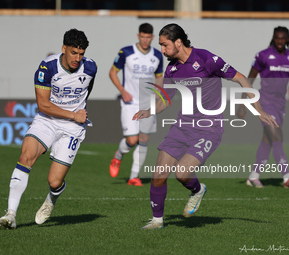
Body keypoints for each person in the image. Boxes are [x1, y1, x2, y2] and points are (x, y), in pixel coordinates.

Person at [133, 23, 277, 229]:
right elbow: (166, 99)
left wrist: (258, 110)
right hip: (181, 127)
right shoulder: (172, 68)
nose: (162, 50)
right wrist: (150, 110)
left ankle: (198, 190)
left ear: (178, 42)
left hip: (209, 129)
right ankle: (157, 221)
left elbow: (241, 79)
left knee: (182, 174)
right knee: (158, 176)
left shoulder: (206, 59)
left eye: (165, 45)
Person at [0, 28, 97, 229]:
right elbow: (43, 105)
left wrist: (78, 115)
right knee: (25, 157)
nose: (77, 58)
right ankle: (10, 214)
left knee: (54, 181)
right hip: (47, 120)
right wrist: (74, 113)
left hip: (73, 128)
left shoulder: (91, 68)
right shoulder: (47, 67)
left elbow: (87, 91)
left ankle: (51, 200)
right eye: (73, 53)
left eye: (81, 54)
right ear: (64, 48)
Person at [109, 23, 164, 186]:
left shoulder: (157, 55)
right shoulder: (126, 52)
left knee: (144, 138)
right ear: (138, 36)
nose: (145, 40)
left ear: (152, 37)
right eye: (143, 36)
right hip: (130, 102)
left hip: (147, 104)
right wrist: (122, 90)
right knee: (132, 140)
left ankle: (134, 176)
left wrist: (157, 94)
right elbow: (112, 72)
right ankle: (118, 156)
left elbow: (159, 76)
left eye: (148, 37)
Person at [237, 26, 289, 188]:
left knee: (268, 140)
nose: (279, 41)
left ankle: (253, 176)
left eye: (283, 38)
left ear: (287, 39)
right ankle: (287, 177)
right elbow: (249, 79)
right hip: (264, 103)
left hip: (281, 104)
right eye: (277, 38)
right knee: (277, 137)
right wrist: (242, 103)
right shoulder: (263, 55)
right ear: (273, 38)